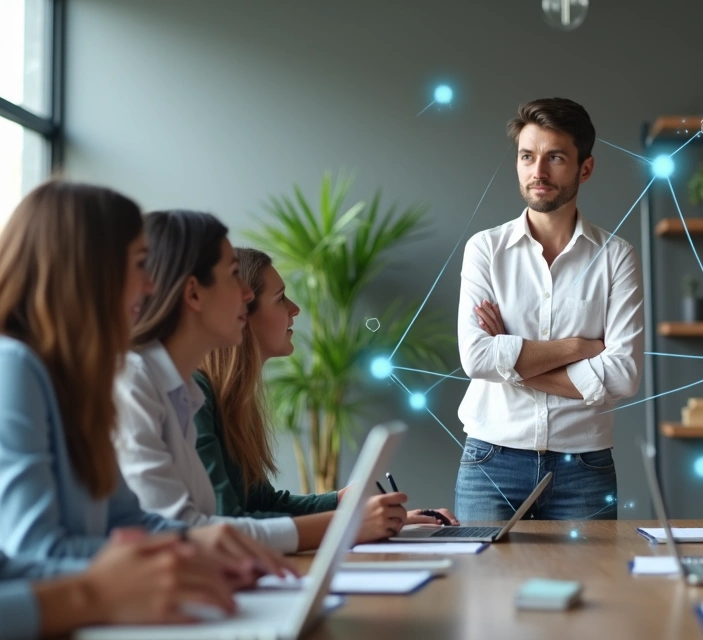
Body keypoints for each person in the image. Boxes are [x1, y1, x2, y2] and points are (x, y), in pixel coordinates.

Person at [0, 180, 287, 579]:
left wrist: (200, 545)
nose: (151, 285)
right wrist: (186, 552)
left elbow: (128, 520)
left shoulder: (73, 381)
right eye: (139, 264)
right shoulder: (5, 369)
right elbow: (36, 550)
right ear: (89, 271)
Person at [455, 97, 644, 521]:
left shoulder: (617, 257)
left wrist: (512, 360)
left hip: (584, 468)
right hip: (491, 461)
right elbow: (477, 359)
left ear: (585, 169)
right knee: (483, 569)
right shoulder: (485, 250)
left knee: (591, 573)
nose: (537, 171)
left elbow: (624, 374)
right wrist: (579, 347)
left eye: (555, 157)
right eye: (527, 156)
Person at [194, 247, 458, 540]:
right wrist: (348, 525)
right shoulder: (194, 397)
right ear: (242, 314)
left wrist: (342, 501)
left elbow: (261, 504)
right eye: (280, 298)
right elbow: (228, 522)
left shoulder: (233, 401)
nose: (295, 308)